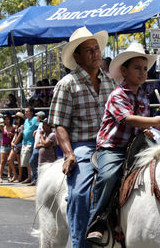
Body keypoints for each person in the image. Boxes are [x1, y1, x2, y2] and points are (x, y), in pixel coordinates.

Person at [86, 42, 160, 244]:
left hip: (135, 146)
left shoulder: (143, 96)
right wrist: (157, 121)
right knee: (109, 175)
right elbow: (127, 119)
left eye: (145, 69)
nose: (143, 73)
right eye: (137, 68)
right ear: (124, 71)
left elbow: (139, 124)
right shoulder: (117, 95)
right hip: (113, 147)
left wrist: (150, 130)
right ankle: (97, 221)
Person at [48, 26, 115, 248]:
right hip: (84, 146)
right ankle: (80, 243)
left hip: (111, 143)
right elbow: (59, 125)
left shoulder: (110, 81)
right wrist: (68, 154)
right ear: (77, 56)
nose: (96, 53)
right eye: (89, 50)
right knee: (79, 193)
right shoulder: (66, 84)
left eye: (96, 49)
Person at [20, 106, 39, 184]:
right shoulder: (26, 120)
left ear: (31, 112)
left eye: (27, 111)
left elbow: (40, 126)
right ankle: (29, 177)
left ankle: (32, 178)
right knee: (27, 162)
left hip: (31, 142)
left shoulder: (35, 119)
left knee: (30, 161)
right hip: (24, 142)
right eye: (25, 111)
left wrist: (36, 131)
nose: (25, 113)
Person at [28, 111, 46, 186]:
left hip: (39, 146)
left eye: (37, 116)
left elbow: (43, 133)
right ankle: (35, 179)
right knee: (34, 162)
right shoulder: (39, 124)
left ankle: (36, 179)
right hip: (36, 145)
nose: (36, 117)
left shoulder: (42, 124)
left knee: (32, 162)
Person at [8, 112, 25, 183]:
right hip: (15, 145)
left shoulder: (21, 126)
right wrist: (12, 142)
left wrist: (15, 143)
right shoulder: (17, 126)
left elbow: (20, 135)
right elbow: (15, 135)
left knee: (19, 162)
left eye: (17, 118)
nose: (15, 120)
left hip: (19, 145)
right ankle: (15, 175)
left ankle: (20, 177)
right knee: (9, 159)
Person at [0, 114, 15, 183]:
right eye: (6, 119)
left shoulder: (13, 127)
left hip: (11, 145)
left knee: (10, 161)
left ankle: (9, 175)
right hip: (4, 145)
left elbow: (17, 133)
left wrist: (12, 134)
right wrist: (2, 121)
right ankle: (0, 176)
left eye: (8, 119)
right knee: (2, 161)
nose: (7, 120)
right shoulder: (3, 127)